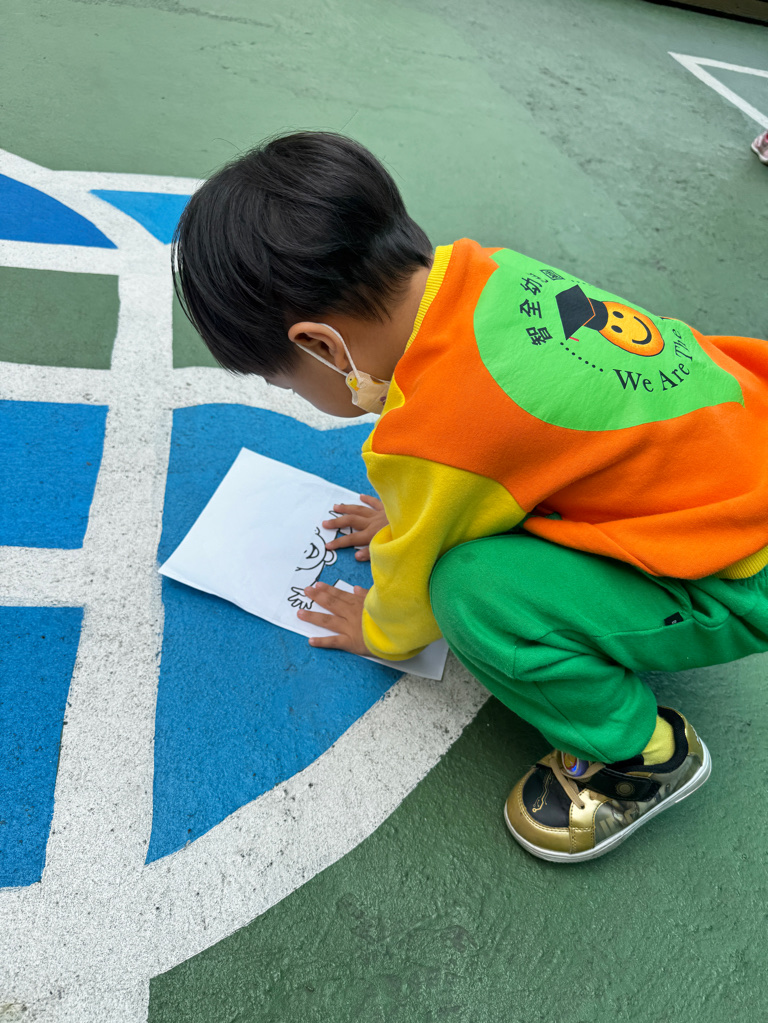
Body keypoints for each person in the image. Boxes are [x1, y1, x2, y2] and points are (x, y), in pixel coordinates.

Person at [172, 131, 768, 863]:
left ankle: (639, 756)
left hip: (739, 575)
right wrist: (425, 505)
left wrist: (377, 630)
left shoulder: (433, 435)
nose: (293, 390)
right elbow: (514, 440)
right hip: (744, 449)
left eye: (283, 379)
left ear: (321, 346)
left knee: (472, 593)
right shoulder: (489, 273)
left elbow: (413, 588)